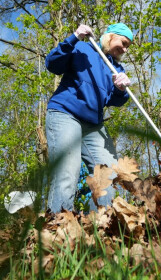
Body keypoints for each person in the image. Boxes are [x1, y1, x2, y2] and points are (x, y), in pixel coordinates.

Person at [45, 23, 133, 213]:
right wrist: (74, 37)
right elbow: (52, 64)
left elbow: (112, 101)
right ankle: (58, 228)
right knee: (68, 171)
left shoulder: (116, 68)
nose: (124, 49)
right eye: (123, 43)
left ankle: (101, 227)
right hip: (65, 114)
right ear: (110, 36)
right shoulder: (82, 47)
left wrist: (121, 90)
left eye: (128, 47)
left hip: (94, 125)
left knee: (108, 173)